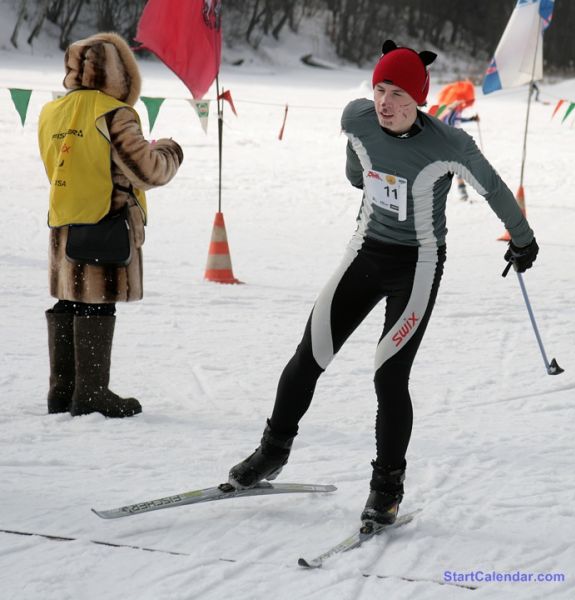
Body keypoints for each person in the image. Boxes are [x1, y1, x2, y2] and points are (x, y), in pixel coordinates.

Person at [227, 40, 539, 527]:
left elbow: (493, 188)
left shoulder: (449, 144)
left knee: (388, 375)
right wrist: (360, 172)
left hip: (418, 264)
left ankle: (386, 487)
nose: (384, 103)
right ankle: (271, 451)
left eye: (396, 93)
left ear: (419, 99)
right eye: (379, 90)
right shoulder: (358, 119)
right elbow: (356, 164)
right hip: (365, 252)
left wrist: (523, 241)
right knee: (309, 354)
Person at [38, 32, 183, 418]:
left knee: (69, 299)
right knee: (97, 305)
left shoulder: (51, 111)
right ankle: (91, 394)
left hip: (63, 221)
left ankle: (63, 391)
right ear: (121, 73)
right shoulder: (114, 113)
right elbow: (147, 170)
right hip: (106, 222)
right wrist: (169, 150)